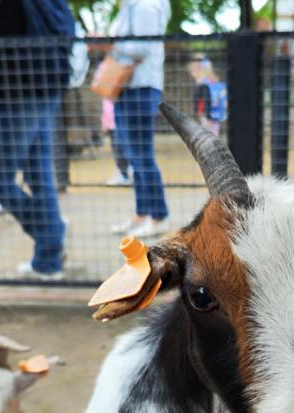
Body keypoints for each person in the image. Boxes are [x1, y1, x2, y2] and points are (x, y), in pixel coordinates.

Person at [0, 0, 74, 279]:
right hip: (46, 81)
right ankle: (47, 263)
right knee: (39, 175)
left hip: (17, 88)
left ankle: (51, 235)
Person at [109, 0, 171, 239]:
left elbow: (143, 46)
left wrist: (109, 44)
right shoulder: (129, 6)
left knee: (142, 156)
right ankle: (141, 214)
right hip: (126, 88)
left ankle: (159, 217)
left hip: (141, 88)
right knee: (135, 156)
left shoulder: (146, 6)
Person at [188, 55, 227, 136]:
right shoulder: (210, 81)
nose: (190, 69)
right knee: (212, 133)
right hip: (212, 114)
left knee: (210, 135)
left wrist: (205, 116)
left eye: (193, 67)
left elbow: (206, 100)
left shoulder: (204, 82)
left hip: (207, 114)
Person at [103, 96, 132, 185]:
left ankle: (125, 175)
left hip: (121, 124)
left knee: (122, 150)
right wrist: (105, 124)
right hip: (112, 126)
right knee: (117, 151)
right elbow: (105, 110)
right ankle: (123, 174)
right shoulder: (106, 95)